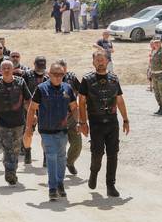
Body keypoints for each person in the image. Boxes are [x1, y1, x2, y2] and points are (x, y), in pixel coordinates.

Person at [78, 51, 130, 197]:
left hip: (112, 122)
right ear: (93, 62)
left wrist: (125, 119)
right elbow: (81, 102)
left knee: (113, 154)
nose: (100, 62)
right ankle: (94, 173)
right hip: (96, 122)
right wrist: (83, 122)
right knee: (97, 152)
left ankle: (110, 185)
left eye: (103, 60)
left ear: (107, 61)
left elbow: (119, 100)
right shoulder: (87, 80)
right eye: (97, 60)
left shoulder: (114, 79)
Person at [25, 62, 79, 201]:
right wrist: (28, 128)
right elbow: (32, 109)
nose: (58, 77)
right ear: (49, 74)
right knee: (51, 156)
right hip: (46, 131)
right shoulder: (41, 89)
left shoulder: (67, 88)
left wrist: (77, 122)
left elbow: (74, 107)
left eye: (61, 74)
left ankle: (60, 183)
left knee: (61, 157)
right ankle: (52, 188)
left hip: (62, 130)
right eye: (55, 74)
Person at [0, 60, 32, 185]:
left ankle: (12, 171)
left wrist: (33, 115)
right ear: (0, 70)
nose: (6, 70)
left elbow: (28, 100)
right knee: (7, 148)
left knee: (15, 149)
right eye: (4, 68)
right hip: (2, 122)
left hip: (18, 122)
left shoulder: (21, 82)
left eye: (8, 68)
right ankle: (10, 172)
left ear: (13, 70)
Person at [57, 59, 82, 175]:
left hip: (72, 115)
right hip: (57, 117)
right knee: (59, 144)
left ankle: (70, 162)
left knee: (77, 144)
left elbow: (82, 91)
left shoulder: (71, 77)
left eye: (64, 68)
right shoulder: (50, 79)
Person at [22, 56, 49, 165]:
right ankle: (27, 151)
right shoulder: (27, 75)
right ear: (34, 64)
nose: (40, 68)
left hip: (44, 109)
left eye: (42, 66)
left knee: (46, 134)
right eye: (39, 66)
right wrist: (29, 111)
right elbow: (22, 93)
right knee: (28, 132)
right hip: (28, 107)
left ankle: (46, 157)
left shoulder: (48, 77)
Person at [150, 39, 162, 116]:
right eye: (155, 43)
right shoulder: (154, 51)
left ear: (160, 43)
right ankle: (161, 107)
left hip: (161, 74)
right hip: (154, 74)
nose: (156, 44)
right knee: (157, 92)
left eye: (158, 42)